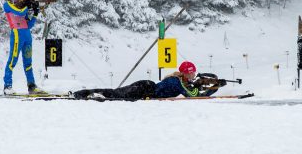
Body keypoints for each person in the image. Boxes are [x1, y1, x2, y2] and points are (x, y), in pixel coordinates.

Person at [73, 61, 227, 100]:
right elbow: (193, 95)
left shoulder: (180, 80)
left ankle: (87, 93)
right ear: (186, 73)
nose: (194, 76)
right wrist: (214, 87)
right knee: (115, 94)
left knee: (116, 93)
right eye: (192, 73)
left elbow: (192, 88)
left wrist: (204, 83)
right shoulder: (178, 82)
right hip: (145, 90)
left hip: (147, 87)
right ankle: (85, 93)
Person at [2, 0, 42, 95]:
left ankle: (31, 85)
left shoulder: (23, 6)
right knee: (12, 61)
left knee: (28, 62)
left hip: (26, 34)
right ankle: (7, 86)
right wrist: (28, 5)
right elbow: (19, 13)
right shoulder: (8, 5)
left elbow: (28, 25)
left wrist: (35, 13)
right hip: (16, 34)